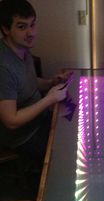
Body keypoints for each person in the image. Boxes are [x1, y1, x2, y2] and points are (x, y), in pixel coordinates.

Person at [0, 0, 72, 170]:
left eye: (32, 25)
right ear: (5, 29)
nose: (31, 32)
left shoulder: (22, 48)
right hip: (23, 136)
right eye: (22, 27)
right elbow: (11, 121)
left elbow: (27, 83)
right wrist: (49, 100)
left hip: (40, 119)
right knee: (66, 159)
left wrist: (50, 82)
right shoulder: (3, 68)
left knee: (75, 130)